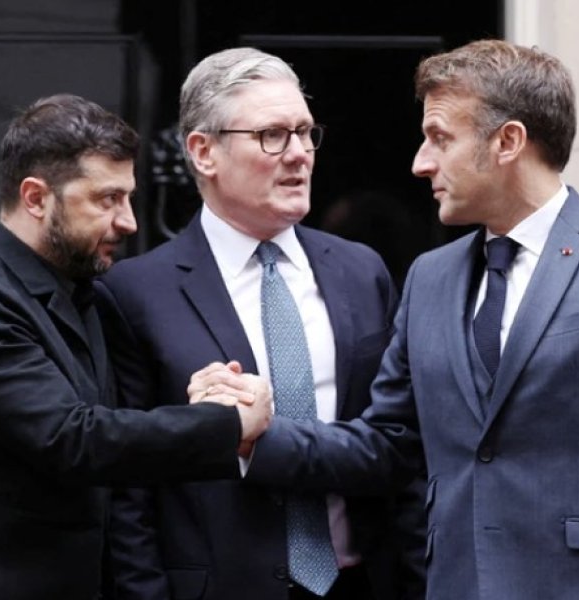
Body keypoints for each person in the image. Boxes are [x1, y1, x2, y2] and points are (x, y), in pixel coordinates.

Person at [226, 39, 579, 600]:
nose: (420, 163)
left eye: (440, 138)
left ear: (508, 142)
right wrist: (254, 436)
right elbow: (387, 444)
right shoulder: (429, 279)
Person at [0, 94, 272, 600]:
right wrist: (226, 424)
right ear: (36, 198)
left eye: (128, 198)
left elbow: (108, 427)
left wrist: (200, 398)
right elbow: (74, 440)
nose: (129, 221)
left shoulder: (83, 295)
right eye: (107, 199)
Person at [94, 48, 423, 600]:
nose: (298, 154)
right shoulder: (135, 293)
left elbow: (403, 450)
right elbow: (128, 491)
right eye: (272, 135)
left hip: (363, 581)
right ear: (203, 151)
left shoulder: (361, 272)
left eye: (305, 133)